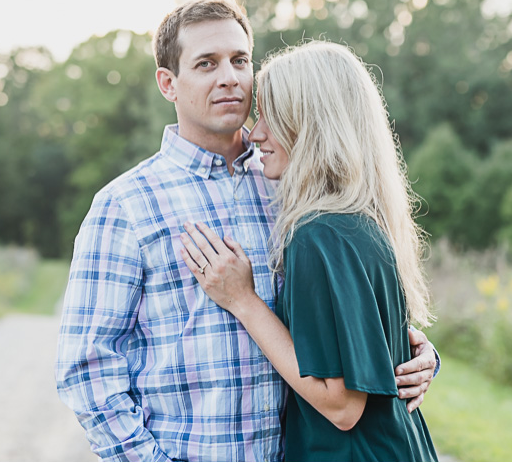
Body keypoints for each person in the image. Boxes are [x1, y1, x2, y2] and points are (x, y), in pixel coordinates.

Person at [55, 0, 438, 461]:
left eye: (239, 60)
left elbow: (341, 319)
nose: (229, 77)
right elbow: (88, 369)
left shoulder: (295, 187)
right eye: (206, 64)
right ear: (168, 84)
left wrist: (416, 354)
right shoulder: (126, 206)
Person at [179, 41, 437, 461]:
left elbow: (342, 406)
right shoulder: (356, 220)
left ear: (312, 125)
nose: (256, 133)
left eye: (271, 118)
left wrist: (243, 301)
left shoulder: (319, 234)